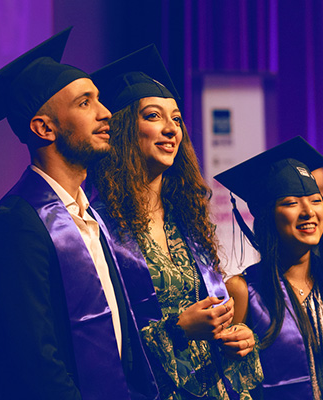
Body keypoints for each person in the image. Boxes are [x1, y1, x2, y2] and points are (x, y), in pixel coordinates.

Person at [0, 29, 159, 400]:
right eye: (85, 103)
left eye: (99, 100)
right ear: (44, 127)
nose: (106, 113)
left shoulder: (92, 218)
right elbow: (35, 364)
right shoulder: (17, 224)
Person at [88, 44, 263, 400]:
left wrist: (238, 335)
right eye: (153, 116)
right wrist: (180, 329)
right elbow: (100, 339)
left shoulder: (185, 219)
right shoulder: (100, 225)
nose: (171, 129)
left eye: (177, 119)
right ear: (123, 129)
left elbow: (213, 310)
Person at [215, 136, 323, 399]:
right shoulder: (244, 292)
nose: (308, 211)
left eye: (316, 200)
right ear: (267, 215)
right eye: (292, 203)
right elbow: (230, 385)